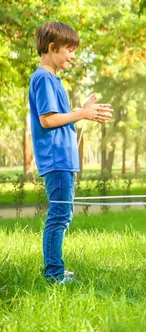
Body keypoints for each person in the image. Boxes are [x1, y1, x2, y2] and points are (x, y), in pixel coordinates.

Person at [30, 21, 113, 283]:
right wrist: (82, 113)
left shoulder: (52, 79)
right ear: (52, 48)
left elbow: (58, 118)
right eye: (69, 50)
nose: (73, 56)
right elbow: (48, 120)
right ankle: (54, 274)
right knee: (59, 215)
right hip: (56, 159)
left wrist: (81, 112)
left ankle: (55, 269)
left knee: (63, 215)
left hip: (62, 158)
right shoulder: (43, 78)